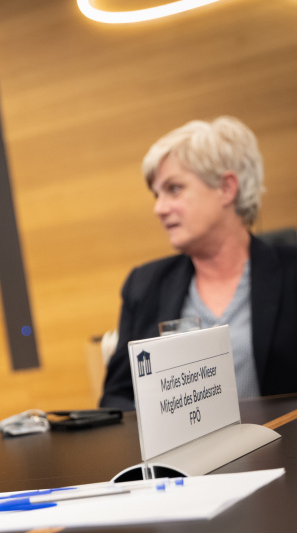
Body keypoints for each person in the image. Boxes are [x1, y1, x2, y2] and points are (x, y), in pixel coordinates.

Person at [100, 117, 297, 411]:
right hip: (181, 457)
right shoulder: (144, 284)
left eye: (174, 189)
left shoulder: (292, 274)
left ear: (227, 188)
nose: (159, 208)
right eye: (157, 194)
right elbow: (117, 399)